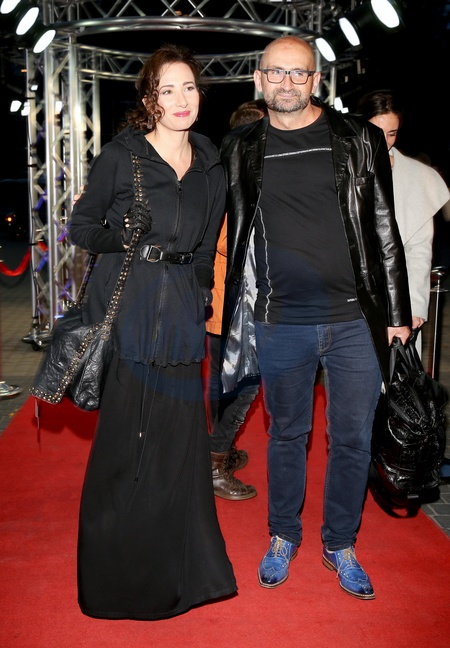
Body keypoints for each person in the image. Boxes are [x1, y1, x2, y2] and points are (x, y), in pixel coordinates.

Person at [219, 35, 411, 599]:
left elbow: (384, 226)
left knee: (351, 439)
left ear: (315, 80)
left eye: (298, 73)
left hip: (355, 321)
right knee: (286, 435)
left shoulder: (358, 137)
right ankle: (283, 535)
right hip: (281, 321)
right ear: (259, 78)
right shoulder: (239, 146)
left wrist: (397, 313)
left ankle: (341, 543)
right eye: (276, 73)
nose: (287, 83)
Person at [69, 44, 236, 620]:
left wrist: (200, 301)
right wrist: (123, 237)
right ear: (149, 99)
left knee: (177, 451)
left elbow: (208, 244)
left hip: (184, 320)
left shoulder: (212, 161)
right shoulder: (124, 156)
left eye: (189, 87)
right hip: (132, 312)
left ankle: (181, 574)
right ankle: (113, 579)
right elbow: (81, 227)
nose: (181, 99)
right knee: (125, 447)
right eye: (168, 89)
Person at [356, 89, 450, 356]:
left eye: (392, 133)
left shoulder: (417, 177)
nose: (383, 141)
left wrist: (416, 305)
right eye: (375, 131)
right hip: (348, 300)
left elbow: (419, 249)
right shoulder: (339, 170)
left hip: (396, 299)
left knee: (397, 375)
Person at [206, 99, 267, 501]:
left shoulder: (226, 173)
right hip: (234, 307)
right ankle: (215, 463)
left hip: (226, 306)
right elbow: (227, 241)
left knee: (227, 386)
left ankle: (218, 451)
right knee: (244, 386)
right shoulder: (233, 179)